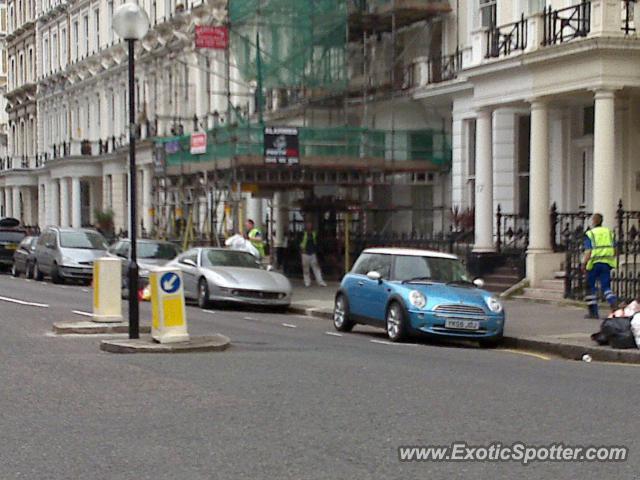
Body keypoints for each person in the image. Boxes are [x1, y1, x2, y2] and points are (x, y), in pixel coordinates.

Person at [582, 213, 617, 319]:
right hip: (606, 263)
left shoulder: (590, 234)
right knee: (606, 287)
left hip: (593, 264)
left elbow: (588, 251)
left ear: (593, 221)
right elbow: (615, 249)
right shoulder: (609, 232)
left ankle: (593, 312)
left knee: (590, 288)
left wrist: (584, 263)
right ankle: (613, 303)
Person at [300, 221, 326, 287]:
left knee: (316, 268)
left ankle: (320, 281)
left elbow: (316, 242)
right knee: (306, 269)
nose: (309, 226)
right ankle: (307, 282)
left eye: (310, 225)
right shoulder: (303, 234)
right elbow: (299, 242)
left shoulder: (313, 234)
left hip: (312, 253)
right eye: (308, 225)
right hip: (305, 253)